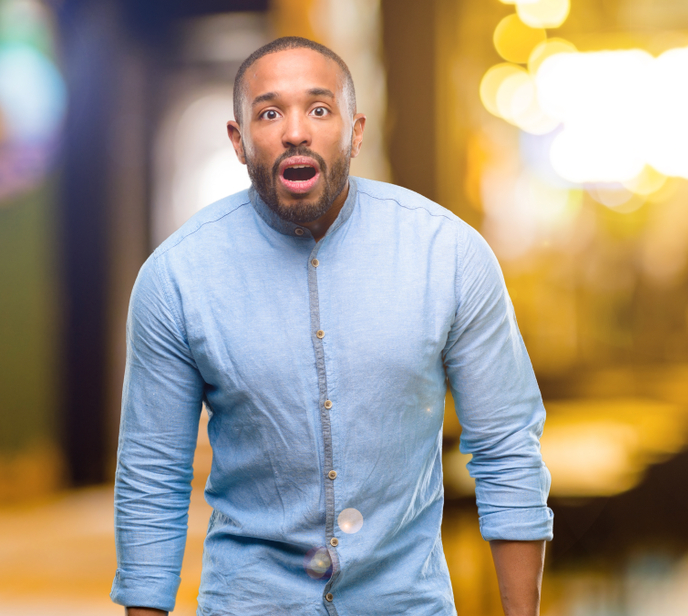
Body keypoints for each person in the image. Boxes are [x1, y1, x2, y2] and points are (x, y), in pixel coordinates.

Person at [111, 36, 552, 616]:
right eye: (270, 113)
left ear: (356, 130)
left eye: (320, 109)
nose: (296, 131)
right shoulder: (176, 278)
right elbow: (152, 477)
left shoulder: (447, 256)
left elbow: (506, 449)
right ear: (239, 141)